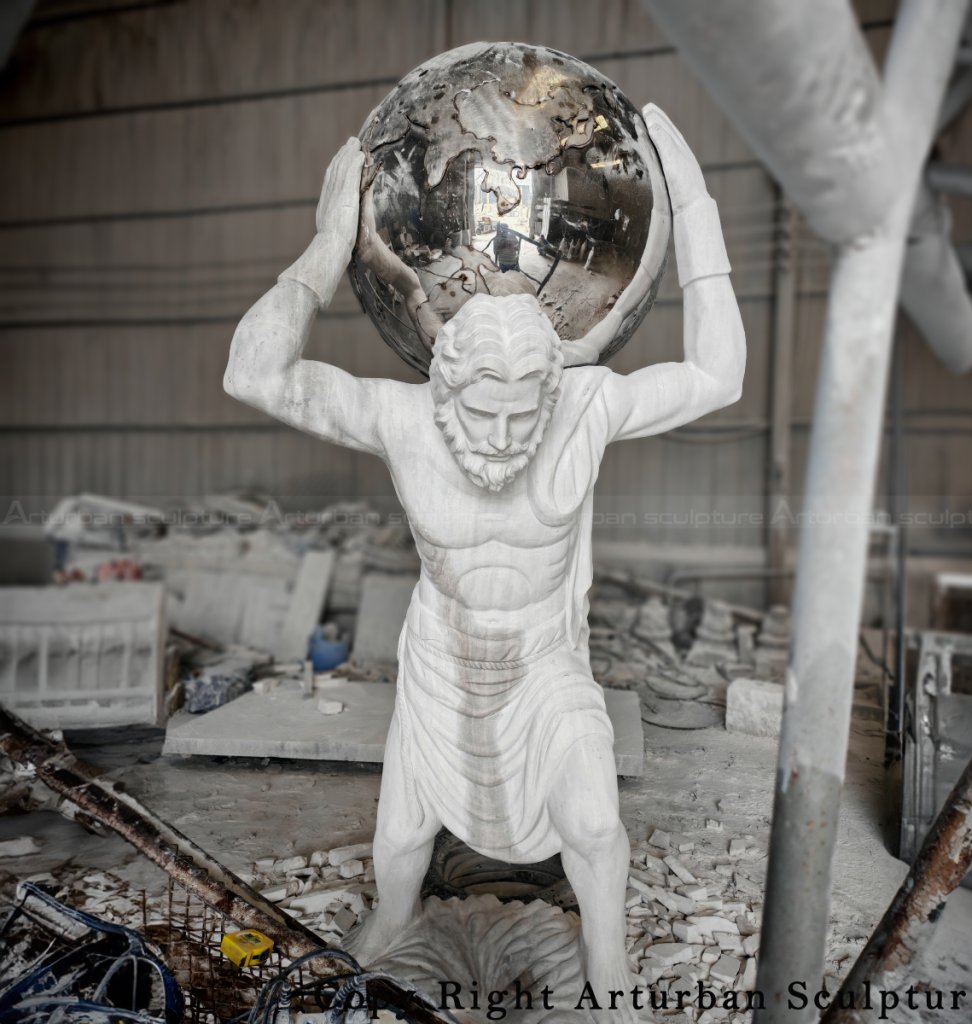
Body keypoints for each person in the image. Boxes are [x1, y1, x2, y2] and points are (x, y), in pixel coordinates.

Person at [223, 103, 744, 1010]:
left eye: (522, 413)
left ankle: (610, 970)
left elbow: (718, 375)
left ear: (553, 387)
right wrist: (323, 245)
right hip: (444, 667)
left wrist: (694, 208)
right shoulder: (403, 418)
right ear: (446, 385)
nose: (502, 438)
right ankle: (392, 921)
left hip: (546, 665)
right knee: (399, 846)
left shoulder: (587, 408)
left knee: (592, 819)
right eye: (482, 413)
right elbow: (252, 372)